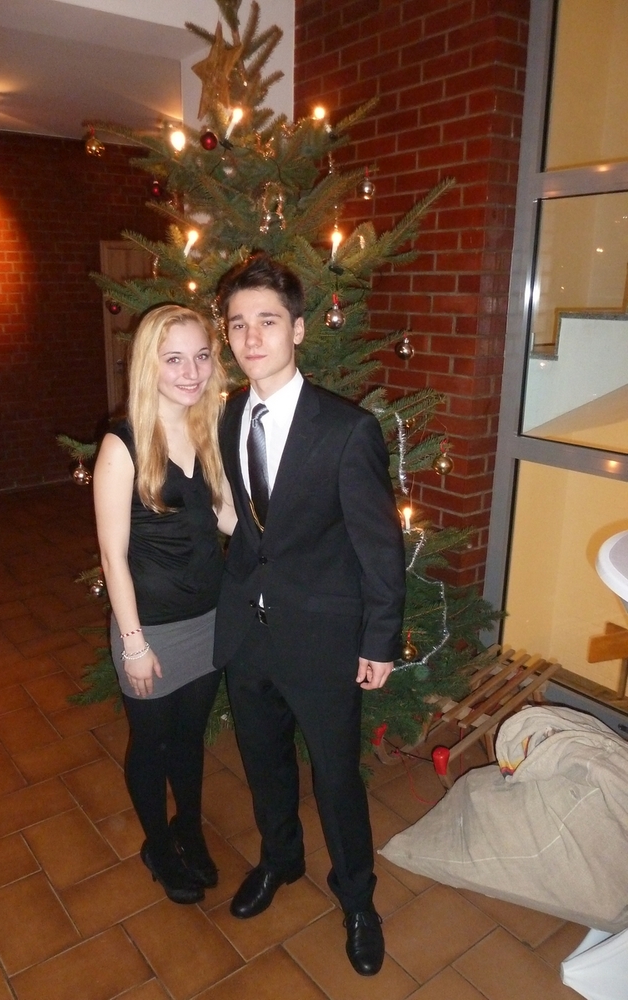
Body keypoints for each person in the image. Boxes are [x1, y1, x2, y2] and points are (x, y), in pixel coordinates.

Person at [213, 254, 406, 976]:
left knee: (335, 778)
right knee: (263, 762)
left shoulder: (346, 430)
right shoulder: (230, 414)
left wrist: (379, 640)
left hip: (324, 638)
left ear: (297, 329)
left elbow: (379, 545)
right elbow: (251, 524)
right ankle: (281, 859)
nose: (251, 337)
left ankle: (357, 898)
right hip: (249, 633)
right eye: (238, 324)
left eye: (267, 321)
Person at [93, 303, 236, 905]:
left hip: (209, 618)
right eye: (174, 359)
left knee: (189, 737)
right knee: (151, 744)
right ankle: (158, 842)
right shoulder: (122, 444)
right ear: (149, 365)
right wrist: (133, 645)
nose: (191, 371)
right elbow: (112, 556)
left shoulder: (208, 431)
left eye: (201, 356)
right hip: (150, 627)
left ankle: (189, 829)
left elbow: (226, 518)